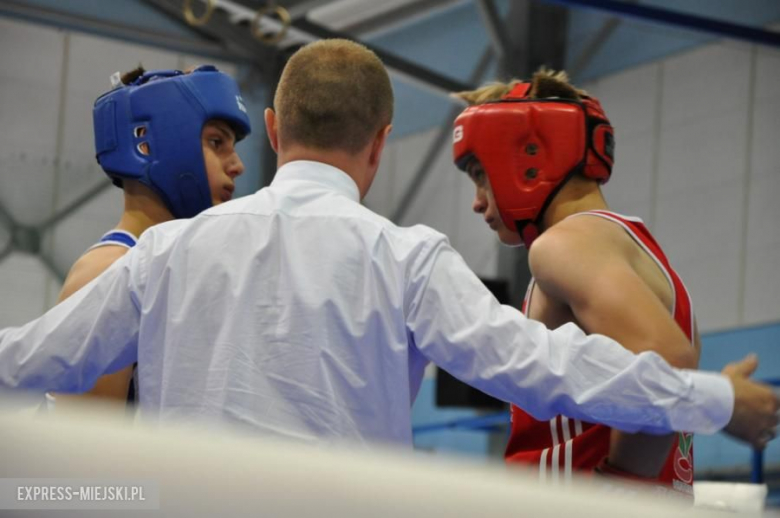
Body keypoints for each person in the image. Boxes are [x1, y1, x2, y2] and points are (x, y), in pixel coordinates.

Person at [0, 40, 776, 451]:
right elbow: (549, 372)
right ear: (381, 145)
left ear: (273, 132)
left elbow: (30, 357)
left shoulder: (165, 254)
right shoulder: (407, 259)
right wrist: (712, 400)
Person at [451, 69, 749, 492]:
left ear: (528, 155)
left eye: (480, 174)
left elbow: (666, 365)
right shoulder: (643, 255)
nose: (478, 202)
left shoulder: (564, 246)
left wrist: (614, 494)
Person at [52, 65, 249, 411]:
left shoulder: (185, 269)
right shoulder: (106, 272)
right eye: (216, 142)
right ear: (150, 143)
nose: (236, 165)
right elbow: (83, 453)